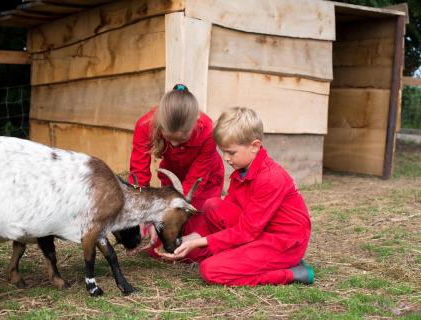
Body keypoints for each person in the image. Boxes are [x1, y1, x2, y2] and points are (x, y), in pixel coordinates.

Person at [156, 107, 314, 286]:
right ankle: (243, 258)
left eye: (231, 153)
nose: (225, 158)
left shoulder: (270, 177)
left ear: (254, 146)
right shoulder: (241, 171)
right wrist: (187, 240)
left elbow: (247, 231)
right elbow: (226, 214)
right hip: (259, 231)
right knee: (212, 206)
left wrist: (200, 242)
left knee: (210, 271)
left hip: (283, 243)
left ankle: (291, 273)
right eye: (222, 152)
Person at [128, 84, 224, 263]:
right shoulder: (145, 125)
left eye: (181, 140)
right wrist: (144, 216)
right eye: (168, 138)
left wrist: (166, 215)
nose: (174, 144)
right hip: (173, 181)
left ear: (195, 124)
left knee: (192, 252)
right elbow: (139, 174)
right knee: (159, 245)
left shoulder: (208, 132)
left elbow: (195, 181)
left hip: (203, 183)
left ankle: (223, 241)